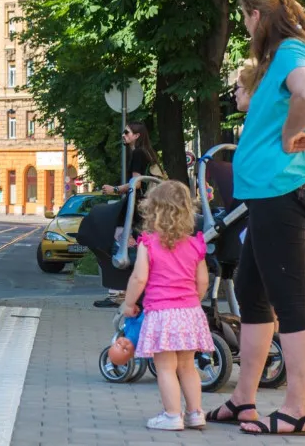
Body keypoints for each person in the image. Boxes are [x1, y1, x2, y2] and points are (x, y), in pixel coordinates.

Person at [205, 0, 305, 436]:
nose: (245, 26)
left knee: (289, 299)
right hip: (267, 192)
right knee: (252, 289)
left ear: (257, 15)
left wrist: (285, 138)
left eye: (245, 17)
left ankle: (298, 408)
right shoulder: (294, 51)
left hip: (281, 189)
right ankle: (244, 399)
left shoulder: (291, 53)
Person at [120, 181, 214, 431]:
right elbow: (202, 280)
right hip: (190, 312)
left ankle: (172, 415)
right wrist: (194, 299)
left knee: (165, 367)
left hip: (162, 313)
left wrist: (128, 304)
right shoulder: (196, 244)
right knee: (187, 366)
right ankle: (195, 413)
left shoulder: (148, 243)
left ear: (153, 210)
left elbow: (139, 278)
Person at [93, 122, 165, 308]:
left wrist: (114, 189)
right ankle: (128, 290)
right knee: (134, 243)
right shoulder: (149, 153)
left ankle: (118, 292)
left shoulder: (139, 153)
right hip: (147, 208)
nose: (123, 135)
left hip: (137, 207)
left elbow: (137, 184)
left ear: (137, 135)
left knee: (121, 242)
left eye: (127, 132)